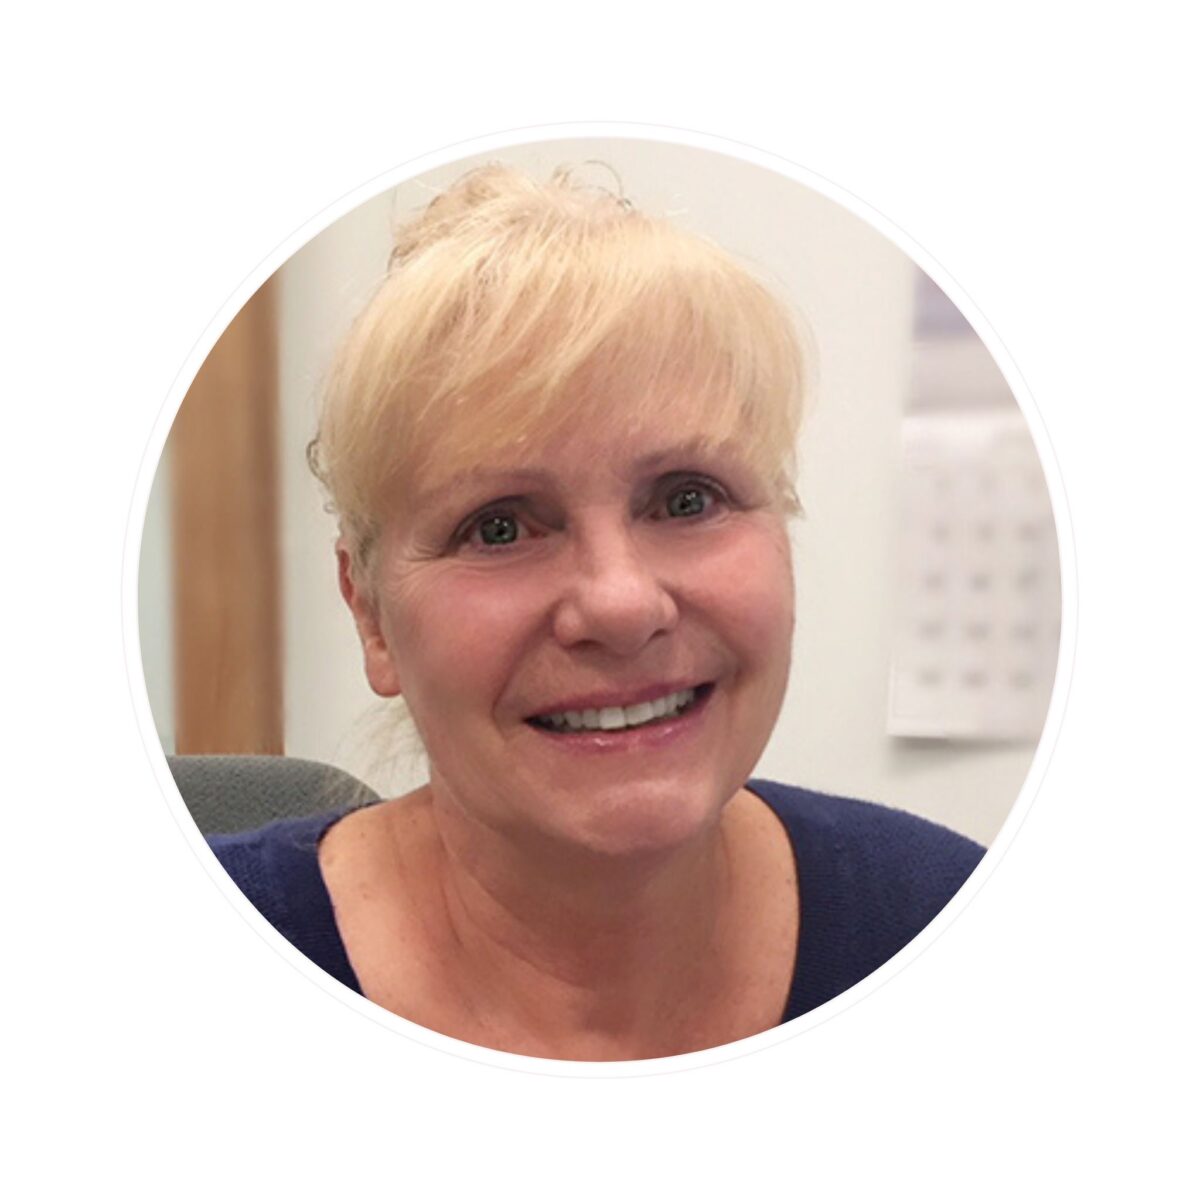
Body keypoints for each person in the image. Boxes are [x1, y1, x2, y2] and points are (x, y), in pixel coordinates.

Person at [209, 164, 984, 1061]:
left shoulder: (946, 919)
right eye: (499, 526)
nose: (621, 604)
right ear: (371, 615)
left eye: (687, 500)